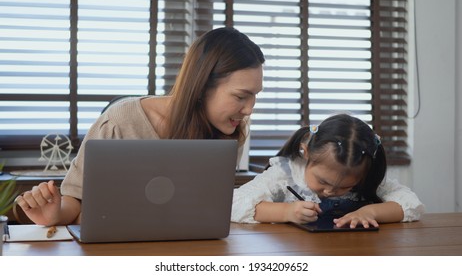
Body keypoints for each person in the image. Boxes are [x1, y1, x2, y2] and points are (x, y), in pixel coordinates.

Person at [15, 27, 265, 226]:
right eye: (241, 96)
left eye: (255, 96)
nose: (249, 109)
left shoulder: (230, 131)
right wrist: (55, 214)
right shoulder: (119, 122)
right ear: (201, 87)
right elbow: (77, 199)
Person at [232, 113, 424, 228]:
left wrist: (371, 212)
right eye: (323, 182)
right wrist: (286, 212)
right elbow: (232, 204)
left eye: (345, 187)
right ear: (305, 152)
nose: (331, 192)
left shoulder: (365, 175)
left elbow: (411, 204)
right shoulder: (287, 173)